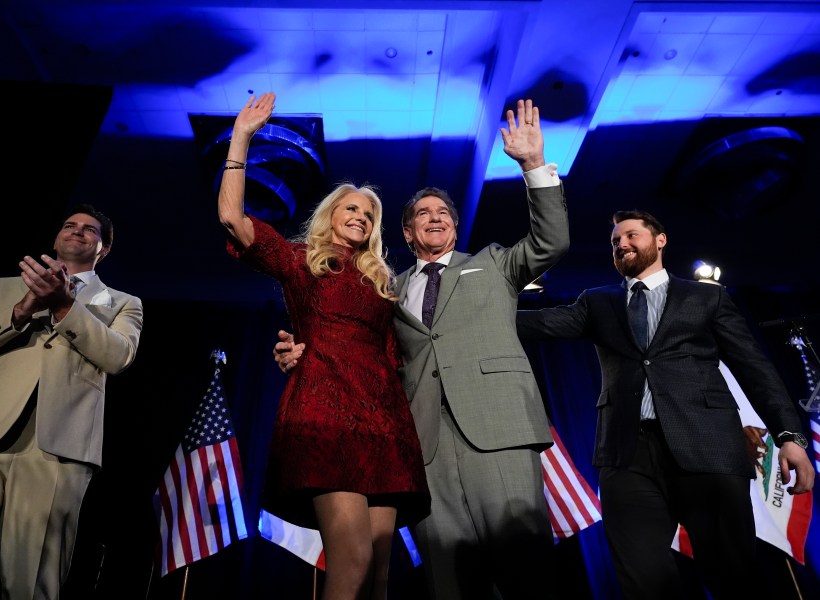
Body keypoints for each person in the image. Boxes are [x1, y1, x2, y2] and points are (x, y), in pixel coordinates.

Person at [276, 98, 570, 599]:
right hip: (422, 444)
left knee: (526, 571)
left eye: (444, 213)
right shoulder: (386, 289)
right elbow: (357, 343)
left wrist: (532, 166)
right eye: (422, 215)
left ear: (454, 227)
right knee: (450, 580)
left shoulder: (494, 264)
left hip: (496, 432)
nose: (435, 218)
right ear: (408, 233)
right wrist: (300, 348)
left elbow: (551, 241)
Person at [514, 209, 815, 599]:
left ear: (660, 240)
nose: (622, 244)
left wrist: (789, 436)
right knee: (643, 582)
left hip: (708, 450)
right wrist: (467, 311)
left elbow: (755, 369)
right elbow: (536, 324)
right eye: (615, 242)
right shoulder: (597, 302)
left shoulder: (708, 296)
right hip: (627, 456)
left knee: (732, 577)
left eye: (631, 235)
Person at [218, 92, 430, 600]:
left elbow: (396, 352)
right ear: (331, 215)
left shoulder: (383, 282)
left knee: (380, 572)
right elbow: (232, 218)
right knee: (351, 557)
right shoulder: (299, 260)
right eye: (350, 208)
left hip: (383, 420)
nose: (359, 216)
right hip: (325, 412)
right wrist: (242, 138)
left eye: (368, 213)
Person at [0, 203, 143, 599]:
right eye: (69, 225)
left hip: (58, 451)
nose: (77, 231)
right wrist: (21, 311)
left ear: (103, 248)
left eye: (90, 230)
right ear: (56, 238)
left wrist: (63, 305)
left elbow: (118, 356)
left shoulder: (122, 302)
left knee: (32, 586)